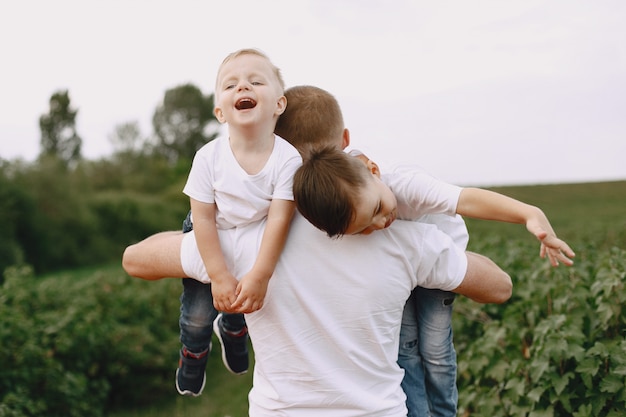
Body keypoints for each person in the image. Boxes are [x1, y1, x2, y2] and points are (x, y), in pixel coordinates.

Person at [123, 86, 514, 416]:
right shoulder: (402, 239)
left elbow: (135, 259)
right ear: (343, 147)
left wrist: (206, 240)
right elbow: (499, 287)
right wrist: (440, 253)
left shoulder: (248, 245)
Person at [173, 48, 302, 396]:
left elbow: (280, 217)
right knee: (199, 315)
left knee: (242, 299)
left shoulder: (287, 159)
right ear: (220, 111)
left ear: (279, 104)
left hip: (256, 233)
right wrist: (217, 274)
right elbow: (201, 216)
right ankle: (194, 352)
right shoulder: (208, 157)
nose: (243, 87)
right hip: (209, 230)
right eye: (231, 85)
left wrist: (261, 275)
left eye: (256, 81)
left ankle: (234, 329)